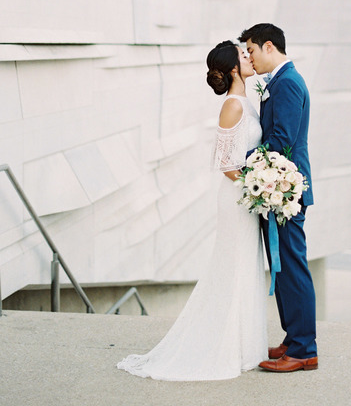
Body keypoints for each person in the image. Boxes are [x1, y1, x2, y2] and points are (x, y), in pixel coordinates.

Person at [116, 41, 267, 381]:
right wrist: (261, 187)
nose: (249, 57)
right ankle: (226, 346)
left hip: (246, 196)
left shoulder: (246, 101)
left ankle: (244, 345)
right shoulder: (232, 106)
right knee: (234, 265)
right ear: (232, 69)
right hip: (237, 199)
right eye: (243, 56)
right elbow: (225, 163)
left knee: (246, 265)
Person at [240, 23, 317, 372]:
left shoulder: (286, 83)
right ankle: (293, 338)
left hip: (286, 190)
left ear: (268, 46)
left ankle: (303, 349)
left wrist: (244, 163)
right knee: (282, 267)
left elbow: (281, 142)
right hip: (279, 189)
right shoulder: (282, 80)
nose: (249, 58)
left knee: (293, 267)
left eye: (251, 50)